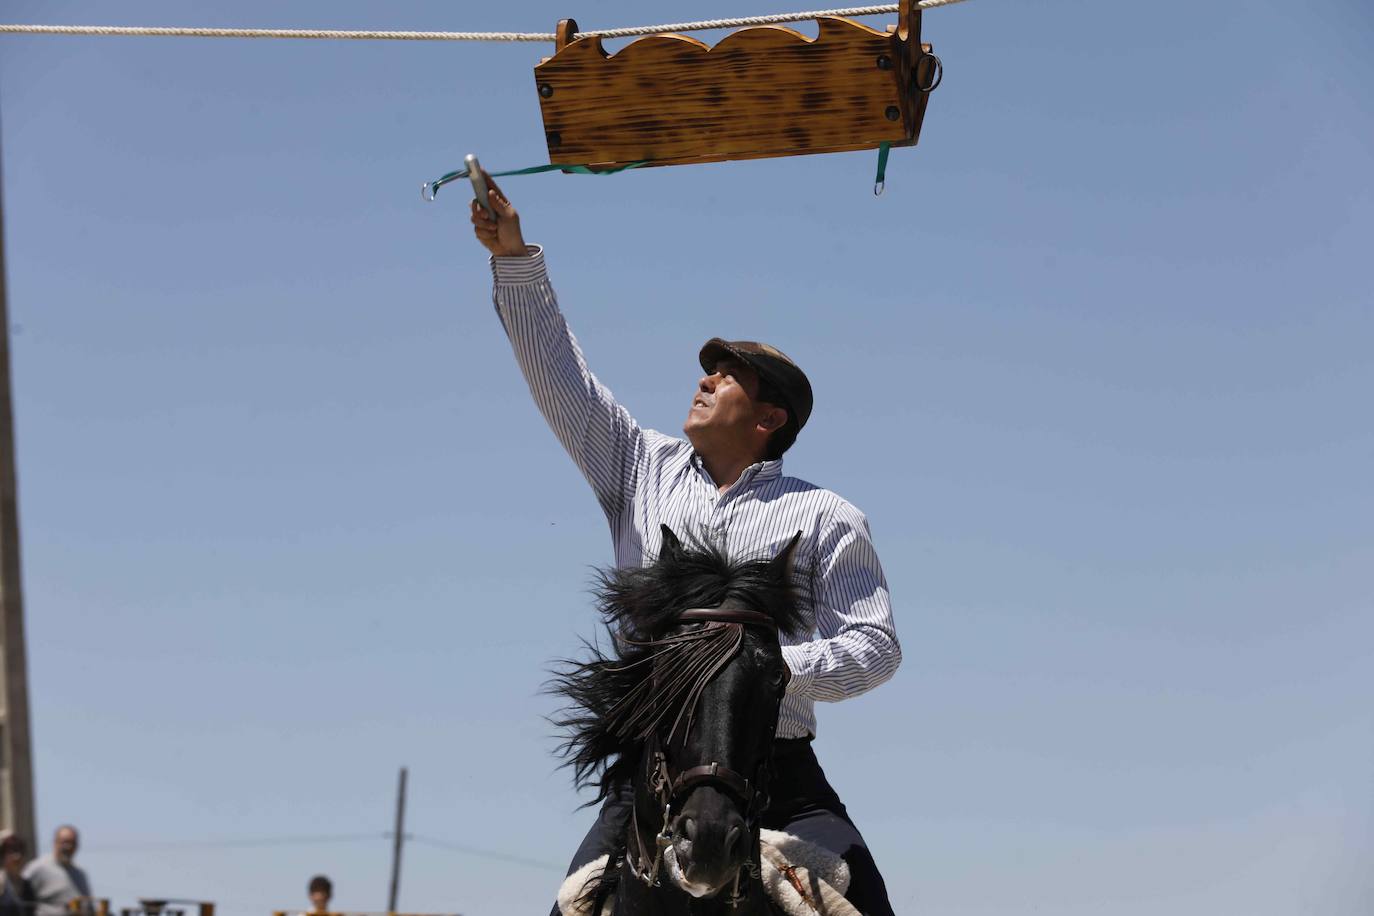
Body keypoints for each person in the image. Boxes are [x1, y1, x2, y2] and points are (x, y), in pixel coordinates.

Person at [471, 178, 902, 916]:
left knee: (868, 904)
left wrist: (764, 669)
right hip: (654, 774)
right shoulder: (638, 466)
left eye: (728, 374)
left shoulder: (829, 516)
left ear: (769, 417)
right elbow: (561, 381)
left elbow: (876, 645)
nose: (706, 378)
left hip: (779, 773)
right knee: (571, 907)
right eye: (709, 367)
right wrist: (514, 256)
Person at [22, 826, 90, 916]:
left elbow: (89, 905)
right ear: (55, 843)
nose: (68, 847)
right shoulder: (38, 867)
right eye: (65, 842)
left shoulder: (80, 874)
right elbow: (19, 897)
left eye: (72, 843)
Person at [0, 833, 36, 916]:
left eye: (21, 852)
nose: (17, 856)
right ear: (3, 856)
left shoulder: (28, 885)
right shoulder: (1, 882)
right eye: (12, 852)